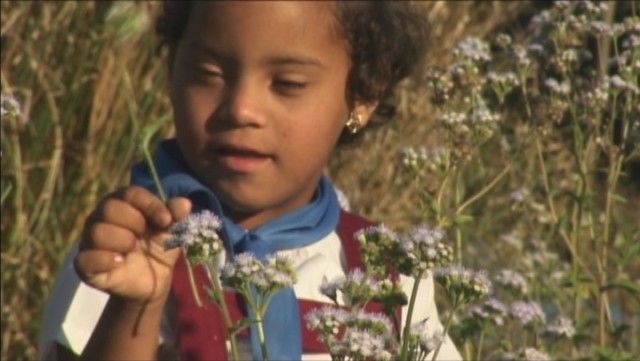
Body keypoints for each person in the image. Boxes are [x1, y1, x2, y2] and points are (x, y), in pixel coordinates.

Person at [39, 2, 462, 360]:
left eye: (287, 84)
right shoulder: (128, 250)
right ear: (173, 70)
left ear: (365, 95)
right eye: (208, 73)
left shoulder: (391, 276)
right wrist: (135, 306)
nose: (241, 109)